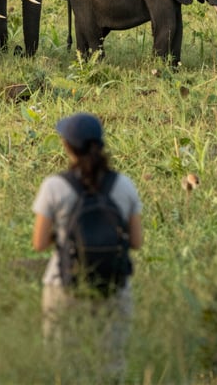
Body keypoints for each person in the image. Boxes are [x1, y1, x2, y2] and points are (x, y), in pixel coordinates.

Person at [32, 112, 143, 381]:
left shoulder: (54, 186)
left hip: (63, 284)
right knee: (111, 364)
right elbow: (136, 242)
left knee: (62, 365)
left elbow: (39, 243)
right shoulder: (124, 185)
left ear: (66, 146)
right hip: (114, 286)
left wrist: (67, 237)